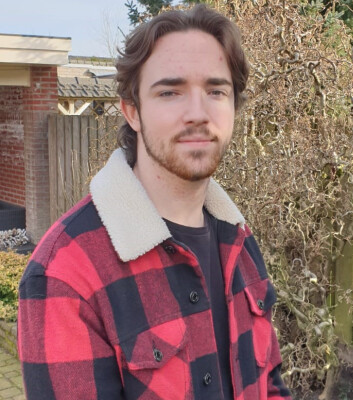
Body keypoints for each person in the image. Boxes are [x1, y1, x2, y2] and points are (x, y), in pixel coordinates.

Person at [18, 4, 292, 400]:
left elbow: (269, 384)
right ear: (132, 111)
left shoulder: (239, 240)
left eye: (216, 90)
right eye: (170, 92)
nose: (198, 113)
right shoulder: (65, 273)